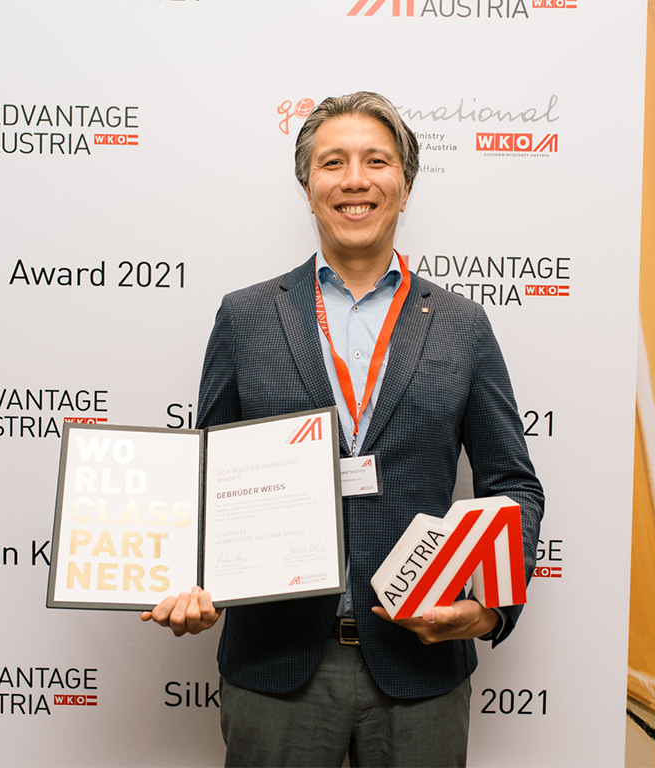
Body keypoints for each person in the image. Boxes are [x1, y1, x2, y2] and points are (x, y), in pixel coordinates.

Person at [142, 91, 544, 768]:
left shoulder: (461, 326)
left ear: (405, 185)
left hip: (421, 668)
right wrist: (192, 581)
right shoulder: (245, 319)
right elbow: (204, 480)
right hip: (276, 666)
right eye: (333, 162)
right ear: (308, 186)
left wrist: (488, 611)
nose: (355, 179)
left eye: (376, 161)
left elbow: (512, 485)